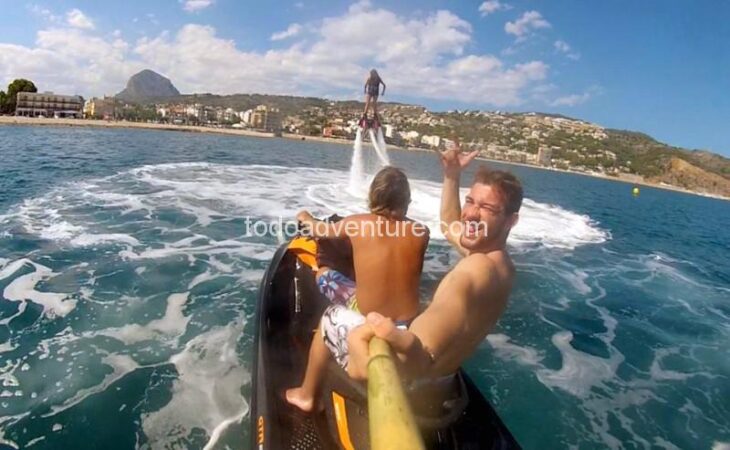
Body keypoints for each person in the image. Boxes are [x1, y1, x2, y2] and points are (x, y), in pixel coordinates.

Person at [346, 146, 523, 382]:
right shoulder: (501, 263)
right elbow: (450, 224)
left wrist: (366, 338)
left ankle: (305, 394)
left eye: (487, 208)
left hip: (410, 388)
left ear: (512, 221)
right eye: (470, 201)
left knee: (329, 321)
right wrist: (452, 175)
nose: (470, 214)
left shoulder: (473, 270)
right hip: (444, 380)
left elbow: (417, 358)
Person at [285, 166, 429, 412]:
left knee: (325, 287)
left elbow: (320, 230)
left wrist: (305, 217)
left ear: (373, 196)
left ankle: (306, 394)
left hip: (369, 319)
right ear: (407, 201)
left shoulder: (356, 224)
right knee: (350, 286)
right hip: (406, 324)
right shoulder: (422, 232)